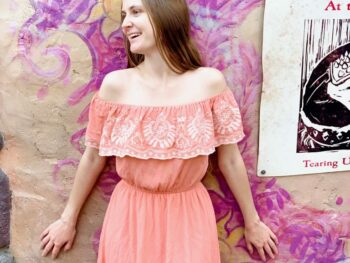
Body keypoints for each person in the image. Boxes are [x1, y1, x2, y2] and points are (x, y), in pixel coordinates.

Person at [40, 0, 278, 262]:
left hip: (189, 217)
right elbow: (94, 157)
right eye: (123, 15)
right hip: (130, 217)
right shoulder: (116, 86)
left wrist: (252, 222)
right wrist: (67, 219)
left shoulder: (209, 84)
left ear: (165, 14)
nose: (125, 23)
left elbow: (230, 160)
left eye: (136, 12)